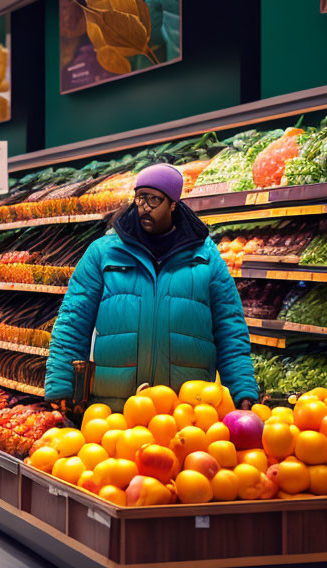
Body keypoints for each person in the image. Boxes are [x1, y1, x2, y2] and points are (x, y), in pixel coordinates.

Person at [45, 163, 258, 412]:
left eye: (154, 200)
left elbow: (230, 328)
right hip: (115, 410)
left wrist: (242, 387)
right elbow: (73, 320)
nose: (145, 207)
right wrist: (62, 384)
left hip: (186, 412)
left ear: (172, 203)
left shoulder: (205, 257)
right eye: (140, 198)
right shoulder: (103, 252)